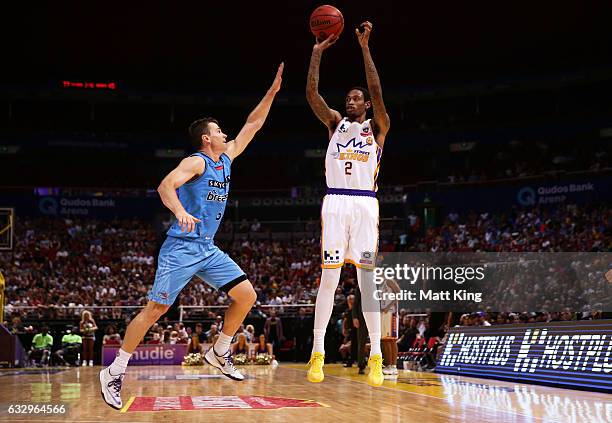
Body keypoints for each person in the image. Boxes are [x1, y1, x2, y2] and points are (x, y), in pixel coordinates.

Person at [99, 63, 284, 410]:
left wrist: (272, 92)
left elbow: (253, 124)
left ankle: (219, 349)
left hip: (207, 248)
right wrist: (179, 211)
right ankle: (114, 370)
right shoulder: (196, 161)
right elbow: (165, 185)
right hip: (181, 247)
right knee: (156, 309)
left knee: (246, 295)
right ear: (206, 138)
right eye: (219, 131)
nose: (225, 134)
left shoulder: (226, 159)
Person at [306, 21, 390, 387]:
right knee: (329, 277)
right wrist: (316, 53)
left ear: (367, 105)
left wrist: (364, 47)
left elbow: (376, 88)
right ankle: (317, 352)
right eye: (348, 98)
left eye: (356, 98)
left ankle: (375, 356)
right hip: (336, 201)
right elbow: (311, 95)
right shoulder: (335, 124)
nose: (350, 101)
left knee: (366, 282)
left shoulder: (379, 125)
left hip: (365, 204)